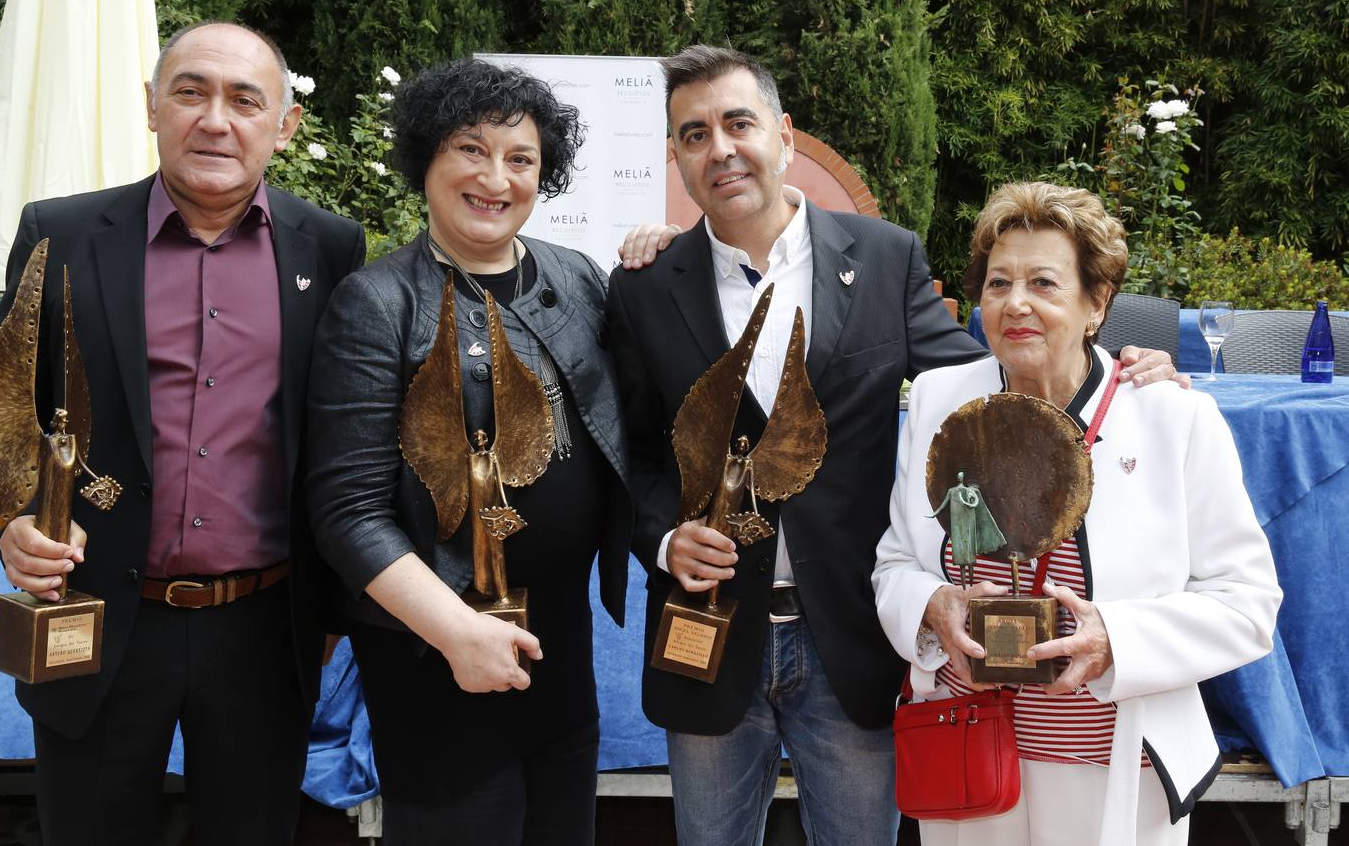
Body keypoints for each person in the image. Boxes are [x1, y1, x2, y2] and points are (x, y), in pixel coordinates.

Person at [608, 45, 1181, 845]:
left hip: (850, 638)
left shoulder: (882, 259)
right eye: (693, 134)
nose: (720, 148)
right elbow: (627, 454)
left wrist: (1116, 363)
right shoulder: (641, 285)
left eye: (738, 123)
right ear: (675, 156)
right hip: (708, 634)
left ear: (782, 132)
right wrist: (664, 536)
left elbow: (991, 383)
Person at [0, 21, 365, 844]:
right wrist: (10, 514)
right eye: (190, 92)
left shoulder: (330, 248)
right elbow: (2, 397)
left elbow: (340, 436)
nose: (215, 119)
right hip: (98, 616)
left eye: (244, 99)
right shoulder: (63, 232)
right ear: (152, 107)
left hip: (265, 627)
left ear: (284, 125)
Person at [871, 181, 1281, 846]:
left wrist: (1114, 638)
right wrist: (931, 606)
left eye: (1042, 282)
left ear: (1096, 303)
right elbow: (894, 562)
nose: (1016, 304)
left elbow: (1247, 602)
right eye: (998, 283)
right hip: (967, 747)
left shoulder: (1168, 416)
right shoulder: (940, 401)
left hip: (1115, 764)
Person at [305, 58, 631, 846]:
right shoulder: (377, 303)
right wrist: (454, 631)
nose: (496, 177)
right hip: (432, 651)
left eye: (520, 159)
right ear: (426, 160)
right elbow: (346, 511)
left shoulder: (577, 276)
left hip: (557, 635)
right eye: (470, 150)